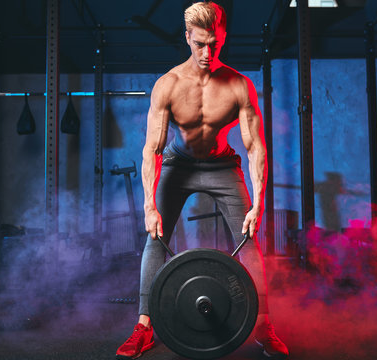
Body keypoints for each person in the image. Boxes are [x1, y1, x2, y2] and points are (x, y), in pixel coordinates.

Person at [116, 1, 289, 359]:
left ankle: (263, 325)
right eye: (199, 44)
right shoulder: (168, 85)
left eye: (215, 43)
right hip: (178, 165)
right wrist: (149, 206)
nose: (207, 52)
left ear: (222, 38)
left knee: (248, 237)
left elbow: (255, 147)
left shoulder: (239, 86)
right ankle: (144, 326)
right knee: (155, 236)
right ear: (187, 38)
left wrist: (258, 204)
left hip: (223, 166)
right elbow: (152, 149)